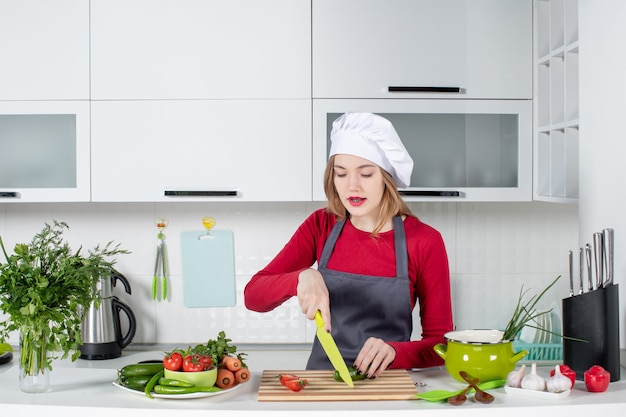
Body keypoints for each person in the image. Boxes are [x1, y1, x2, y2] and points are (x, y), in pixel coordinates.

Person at [244, 112, 453, 378]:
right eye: (341, 174)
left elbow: (442, 345)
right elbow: (253, 297)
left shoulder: (424, 241)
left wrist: (396, 351)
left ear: (386, 178)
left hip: (389, 383)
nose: (352, 186)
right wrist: (301, 277)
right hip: (322, 383)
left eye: (366, 174)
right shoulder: (321, 225)